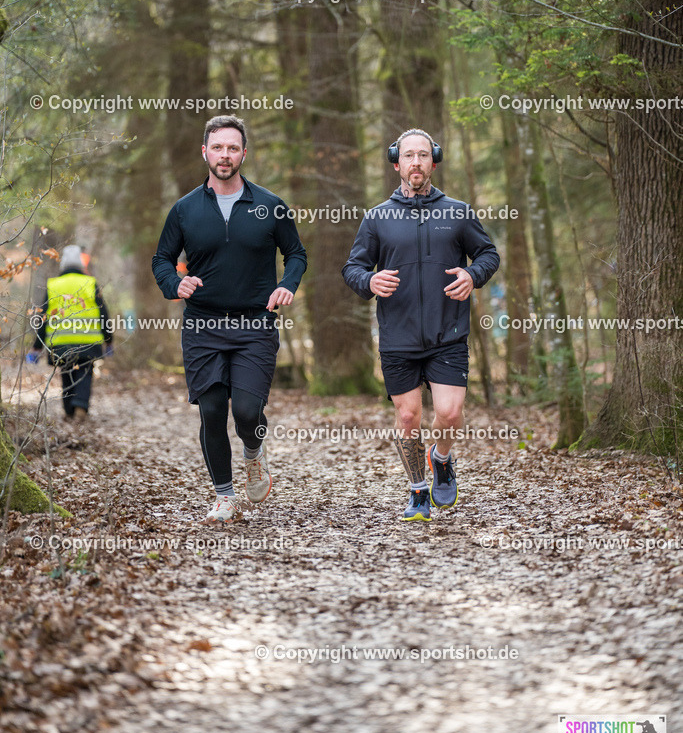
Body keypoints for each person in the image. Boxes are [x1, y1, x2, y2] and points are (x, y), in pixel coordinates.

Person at [152, 115, 307, 523]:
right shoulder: (184, 210)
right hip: (202, 324)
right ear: (205, 151)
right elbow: (162, 260)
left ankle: (254, 452)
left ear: (243, 153)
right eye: (217, 147)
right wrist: (175, 284)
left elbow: (297, 254)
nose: (225, 155)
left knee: (247, 411)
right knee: (212, 409)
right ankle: (224, 496)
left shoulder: (269, 205)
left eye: (232, 148)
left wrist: (287, 284)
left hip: (256, 324)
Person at [342, 128, 500, 521]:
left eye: (423, 155)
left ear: (434, 161)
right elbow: (353, 268)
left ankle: (441, 458)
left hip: (448, 333)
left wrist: (472, 275)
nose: (416, 162)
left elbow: (488, 254)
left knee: (448, 412)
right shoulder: (377, 218)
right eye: (409, 156)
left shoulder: (458, 212)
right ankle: (416, 490)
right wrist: (369, 281)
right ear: (397, 163)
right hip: (398, 334)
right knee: (409, 416)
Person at [27, 245, 113, 429]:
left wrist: (37, 346)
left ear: (63, 264)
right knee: (84, 372)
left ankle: (68, 409)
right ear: (80, 264)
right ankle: (80, 406)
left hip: (60, 343)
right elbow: (103, 313)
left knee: (66, 373)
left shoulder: (53, 285)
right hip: (87, 342)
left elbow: (43, 318)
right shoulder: (90, 283)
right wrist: (109, 340)